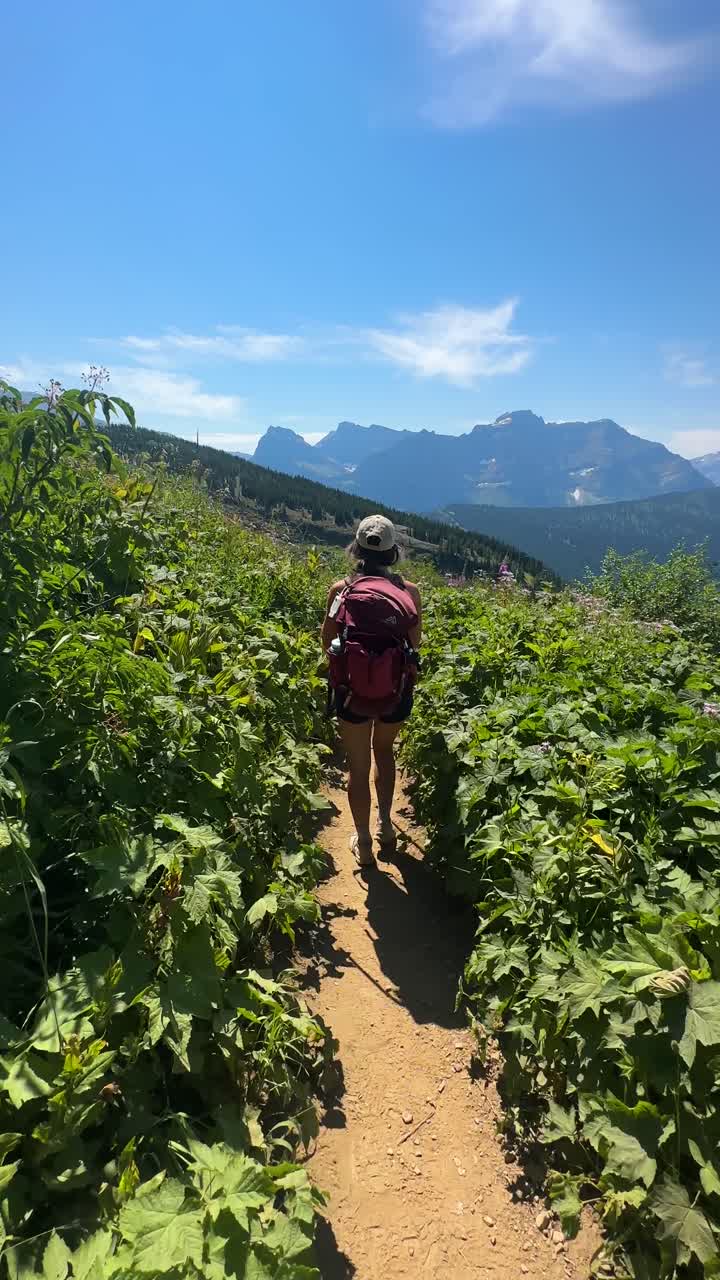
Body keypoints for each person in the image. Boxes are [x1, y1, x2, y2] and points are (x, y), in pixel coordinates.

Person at [321, 515, 422, 869]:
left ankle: (363, 841)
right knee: (385, 752)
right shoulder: (408, 593)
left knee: (358, 764)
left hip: (352, 692)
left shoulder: (341, 591)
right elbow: (415, 643)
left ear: (357, 548)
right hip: (395, 690)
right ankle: (386, 827)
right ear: (394, 551)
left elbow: (327, 643)